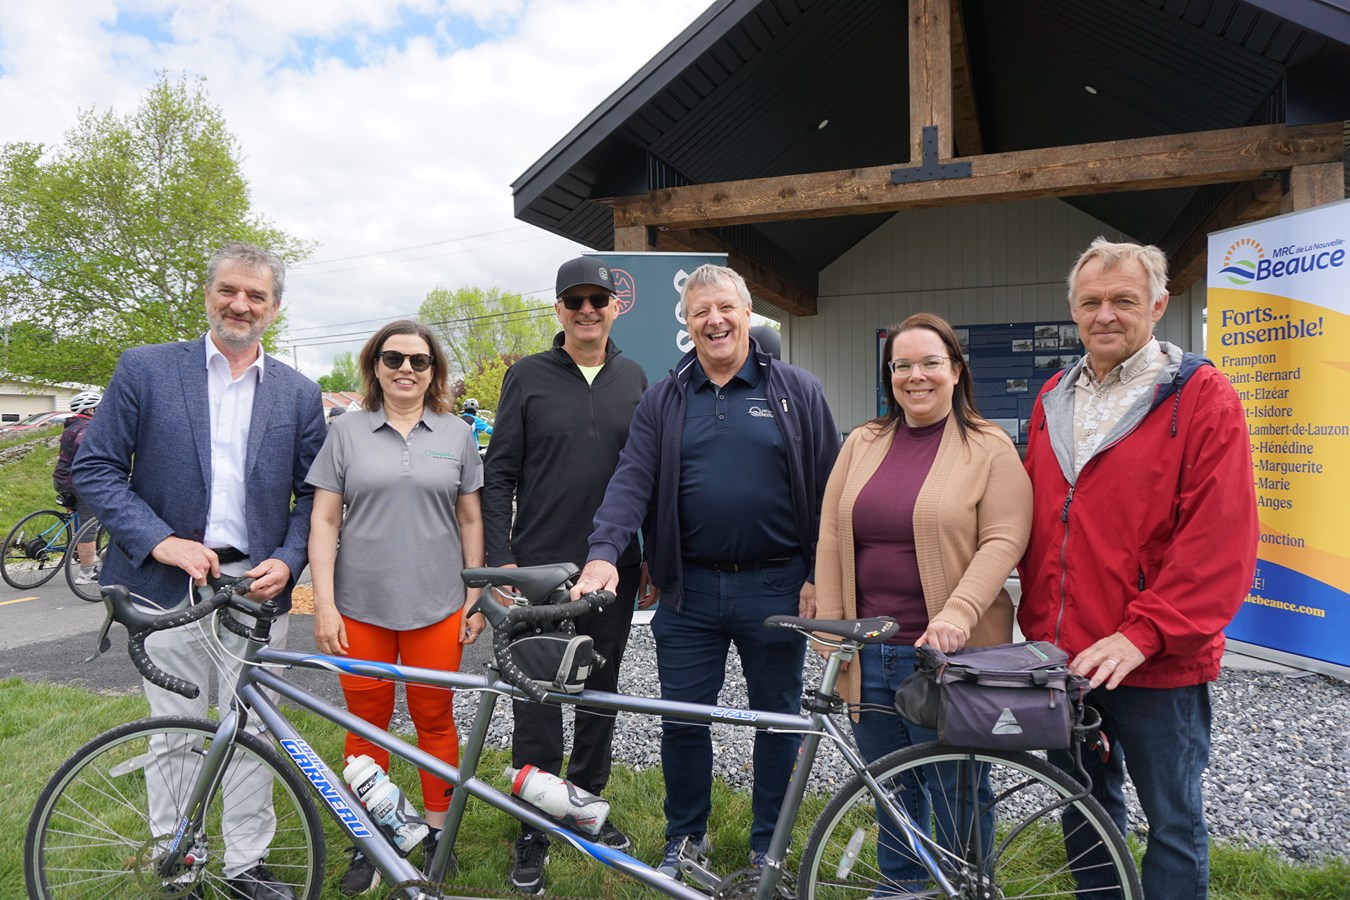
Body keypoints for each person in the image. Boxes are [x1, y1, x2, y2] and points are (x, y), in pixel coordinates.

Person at [73, 241, 326, 900]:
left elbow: (313, 495)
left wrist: (290, 558)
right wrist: (160, 541)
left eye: (256, 296)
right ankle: (177, 859)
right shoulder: (146, 369)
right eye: (229, 290)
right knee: (174, 733)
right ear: (208, 292)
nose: (240, 304)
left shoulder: (300, 394)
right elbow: (94, 468)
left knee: (251, 729)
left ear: (274, 308)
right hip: (167, 585)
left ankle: (246, 867)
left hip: (256, 589)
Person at [570, 263, 841, 877]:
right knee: (684, 719)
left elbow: (832, 489)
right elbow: (631, 479)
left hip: (776, 585)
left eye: (724, 308)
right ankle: (684, 838)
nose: (713, 321)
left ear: (748, 314)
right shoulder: (664, 399)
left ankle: (768, 847)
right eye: (700, 313)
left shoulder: (797, 391)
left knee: (778, 722)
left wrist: (820, 574)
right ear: (688, 324)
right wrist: (604, 552)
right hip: (688, 591)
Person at [1018, 237, 1258, 898]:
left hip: (1157, 660)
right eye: (1091, 302)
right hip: (1065, 658)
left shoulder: (1200, 396)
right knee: (1085, 811)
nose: (1106, 315)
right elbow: (1032, 517)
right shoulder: (1051, 398)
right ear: (1073, 310)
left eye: (1124, 300)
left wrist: (1144, 633)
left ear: (1157, 304)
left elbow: (1220, 539)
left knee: (1173, 823)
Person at [814, 313, 1031, 890]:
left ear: (956, 371)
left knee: (956, 789)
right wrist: (835, 636)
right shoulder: (863, 442)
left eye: (930, 363)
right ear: (889, 376)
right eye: (902, 365)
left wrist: (957, 615)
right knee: (891, 789)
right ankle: (903, 887)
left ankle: (968, 887)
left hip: (946, 658)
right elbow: (832, 537)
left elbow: (1004, 539)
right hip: (870, 654)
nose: (916, 376)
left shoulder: (988, 447)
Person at [482, 255, 649, 894]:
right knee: (537, 694)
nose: (586, 310)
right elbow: (498, 474)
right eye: (574, 300)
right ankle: (534, 818)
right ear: (558, 310)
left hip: (615, 569)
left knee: (599, 688)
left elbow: (652, 479)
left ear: (614, 307)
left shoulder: (636, 378)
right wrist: (504, 560)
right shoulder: (527, 376)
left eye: (597, 300)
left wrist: (651, 556)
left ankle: (586, 803)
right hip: (540, 566)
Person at [306, 320, 486, 895]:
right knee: (365, 727)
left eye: (419, 360)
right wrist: (325, 606)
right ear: (374, 366)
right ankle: (372, 837)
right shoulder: (347, 432)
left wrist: (474, 596)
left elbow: (471, 518)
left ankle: (437, 834)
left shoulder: (457, 433)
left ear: (434, 371)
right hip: (360, 607)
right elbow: (324, 520)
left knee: (436, 721)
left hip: (437, 606)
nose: (406, 368)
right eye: (393, 358)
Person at [52, 389, 104, 584]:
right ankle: (87, 572)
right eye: (98, 408)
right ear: (90, 410)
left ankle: (79, 545)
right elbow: (85, 451)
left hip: (61, 479)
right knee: (88, 525)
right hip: (77, 482)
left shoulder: (72, 425)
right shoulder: (87, 428)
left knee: (82, 518)